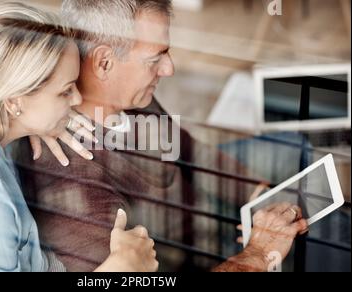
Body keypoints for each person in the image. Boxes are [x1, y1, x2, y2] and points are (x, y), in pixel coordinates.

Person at [16, 0, 309, 272]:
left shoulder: (129, 97)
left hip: (217, 226)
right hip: (220, 261)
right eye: (155, 58)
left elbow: (190, 149)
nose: (169, 69)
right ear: (104, 62)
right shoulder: (74, 183)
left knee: (304, 156)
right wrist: (260, 252)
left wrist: (258, 197)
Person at [0, 2, 158, 272]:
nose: (78, 99)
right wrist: (120, 268)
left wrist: (41, 120)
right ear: (14, 102)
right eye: (65, 91)